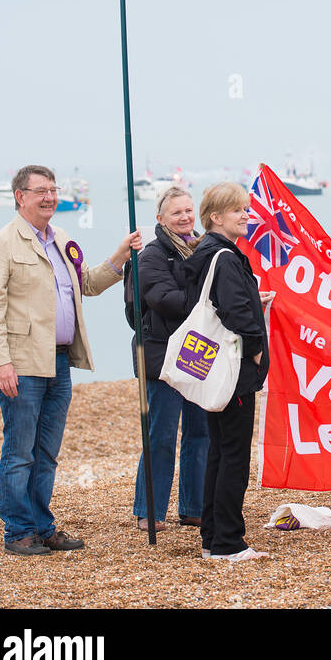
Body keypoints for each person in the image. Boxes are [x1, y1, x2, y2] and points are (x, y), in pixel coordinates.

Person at [0, 164, 142, 556]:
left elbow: (85, 284)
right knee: (20, 452)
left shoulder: (60, 237)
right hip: (23, 364)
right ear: (20, 197)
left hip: (61, 362)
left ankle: (42, 526)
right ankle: (18, 532)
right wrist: (0, 363)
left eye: (53, 189)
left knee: (47, 452)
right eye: (40, 191)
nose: (49, 197)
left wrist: (120, 256)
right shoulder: (1, 243)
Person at [181, 182, 270, 563]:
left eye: (246, 209)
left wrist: (253, 297)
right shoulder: (226, 257)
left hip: (212, 369)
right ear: (216, 217)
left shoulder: (204, 253)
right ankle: (229, 542)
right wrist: (254, 351)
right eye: (238, 211)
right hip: (232, 370)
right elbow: (236, 313)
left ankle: (212, 537)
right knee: (233, 454)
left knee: (219, 451)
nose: (246, 216)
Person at [129, 186, 210, 532]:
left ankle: (193, 507)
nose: (185, 217)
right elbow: (165, 299)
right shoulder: (151, 255)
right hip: (162, 355)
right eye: (177, 212)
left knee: (200, 432)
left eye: (189, 210)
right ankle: (149, 510)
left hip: (196, 352)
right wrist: (209, 302)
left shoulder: (203, 249)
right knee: (161, 435)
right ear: (160, 219)